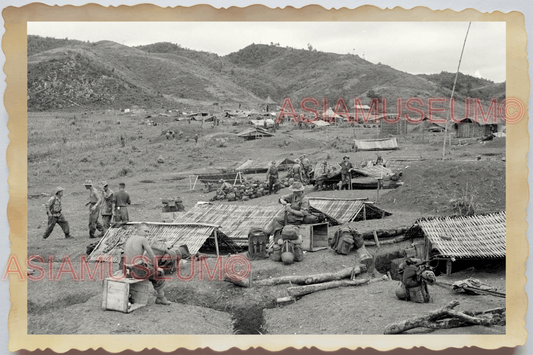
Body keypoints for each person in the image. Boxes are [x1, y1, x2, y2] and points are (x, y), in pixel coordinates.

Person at [122, 223, 172, 305]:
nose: (147, 234)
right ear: (138, 230)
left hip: (126, 270)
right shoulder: (142, 239)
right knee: (158, 273)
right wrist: (157, 267)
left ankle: (131, 294)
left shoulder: (130, 238)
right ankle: (161, 298)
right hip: (136, 270)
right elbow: (152, 256)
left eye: (148, 232)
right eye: (145, 231)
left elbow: (130, 255)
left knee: (147, 267)